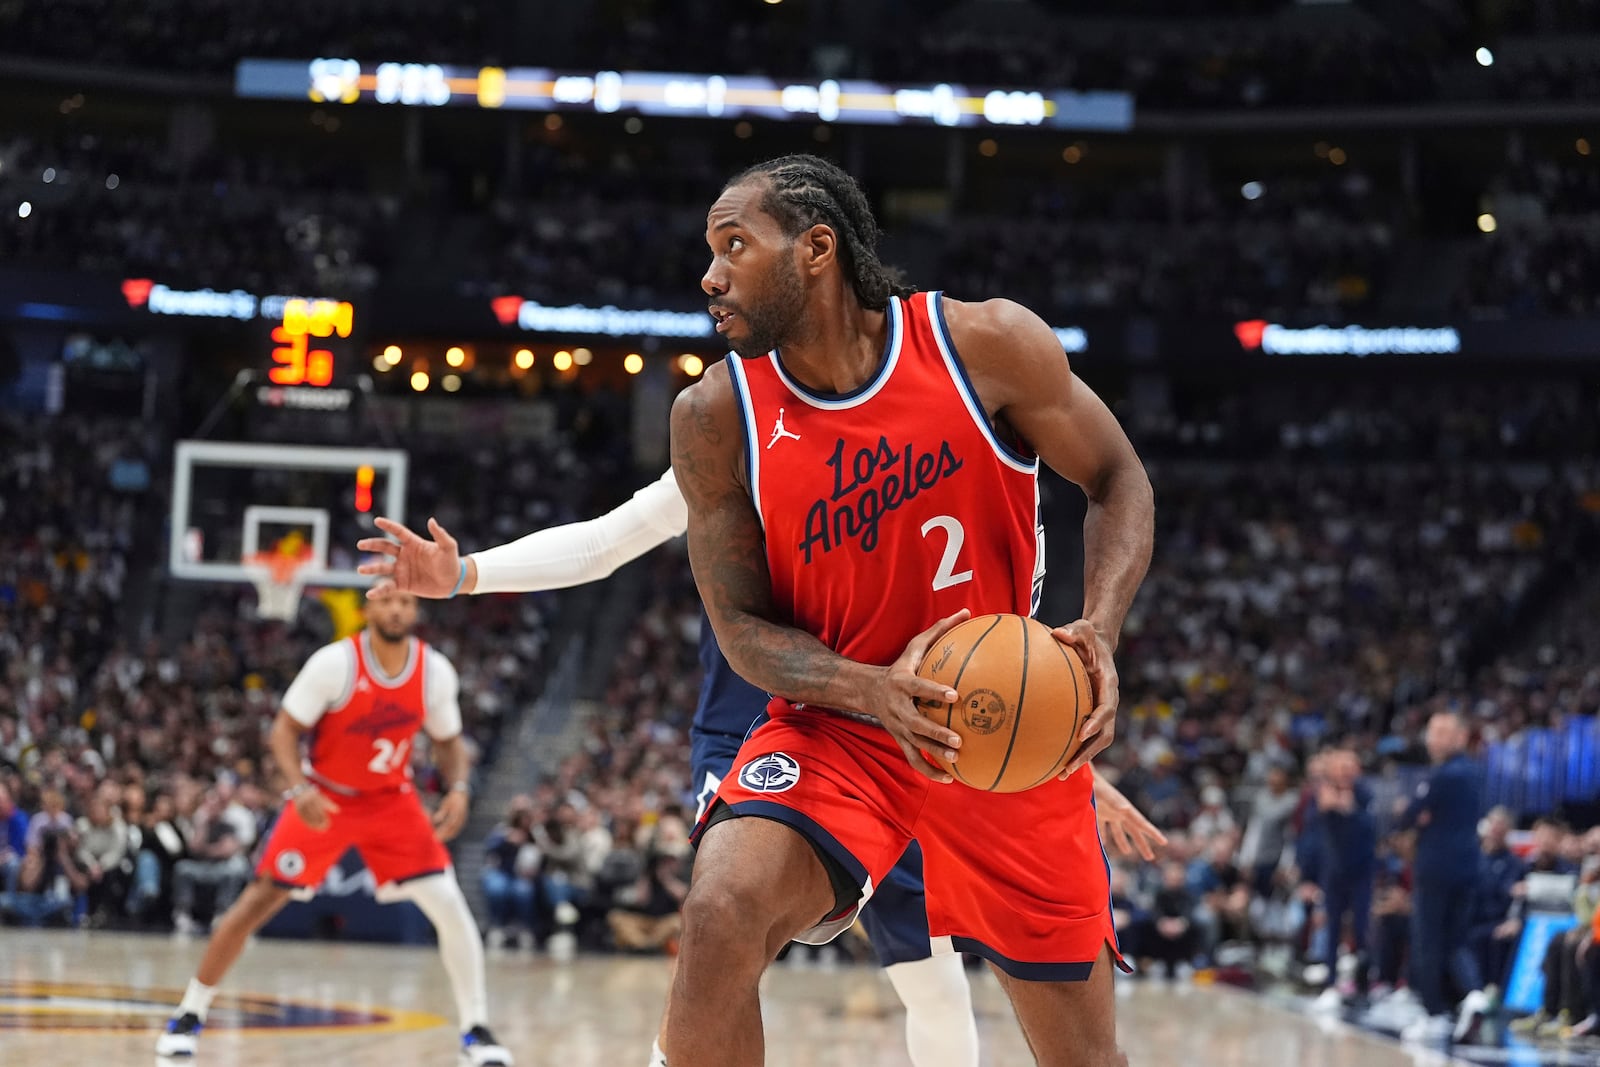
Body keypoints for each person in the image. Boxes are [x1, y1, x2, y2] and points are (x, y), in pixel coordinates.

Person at [363, 482, 1165, 1067]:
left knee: (933, 984)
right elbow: (610, 538)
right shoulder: (732, 427)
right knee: (718, 959)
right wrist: (465, 573)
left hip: (895, 742)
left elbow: (978, 668)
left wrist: (1074, 772)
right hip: (759, 732)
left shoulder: (925, 454)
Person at [653, 152, 1149, 1066]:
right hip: (843, 726)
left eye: (733, 245)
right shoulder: (714, 414)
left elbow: (1118, 477)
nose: (709, 276)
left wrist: (1100, 631)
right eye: (709, 251)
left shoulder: (985, 344)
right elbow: (742, 630)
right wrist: (870, 687)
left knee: (1085, 1058)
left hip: (1009, 721)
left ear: (815, 247)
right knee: (721, 908)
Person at [154, 580, 512, 1066]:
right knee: (258, 901)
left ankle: (476, 1029)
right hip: (326, 798)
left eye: (405, 601)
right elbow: (284, 730)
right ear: (369, 608)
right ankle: (189, 1014)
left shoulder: (433, 671)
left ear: (416, 610)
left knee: (449, 904)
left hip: (392, 801)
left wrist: (460, 788)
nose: (396, 609)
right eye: (387, 600)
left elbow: (448, 741)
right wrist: (298, 789)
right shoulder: (334, 663)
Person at [1397, 710, 1489, 1045]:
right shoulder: (1474, 772)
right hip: (1469, 866)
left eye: (1441, 732)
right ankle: (1475, 994)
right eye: (1431, 731)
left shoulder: (1442, 775)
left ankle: (1433, 1013)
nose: (1432, 738)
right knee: (1457, 940)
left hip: (1435, 867)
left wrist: (1415, 815)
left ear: (1460, 737)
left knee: (1427, 942)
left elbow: (1407, 816)